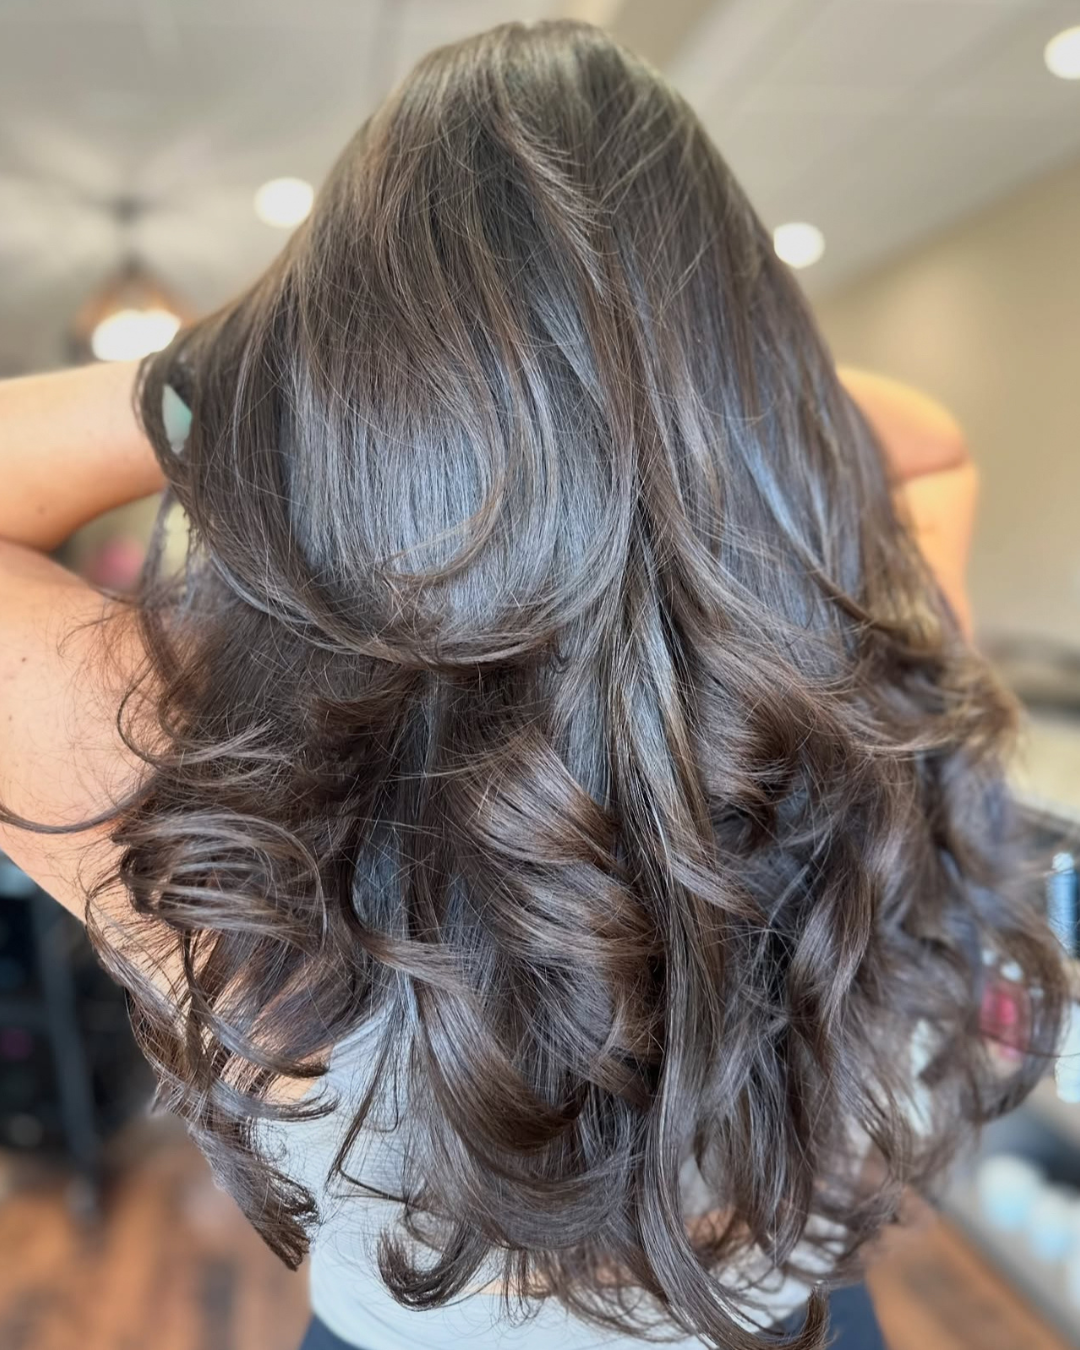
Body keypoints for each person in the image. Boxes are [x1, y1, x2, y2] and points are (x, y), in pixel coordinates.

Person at [0, 19, 1065, 1350]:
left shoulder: (196, 760)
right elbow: (931, 444)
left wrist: (254, 373)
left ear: (346, 397)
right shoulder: (873, 703)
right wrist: (682, 371)